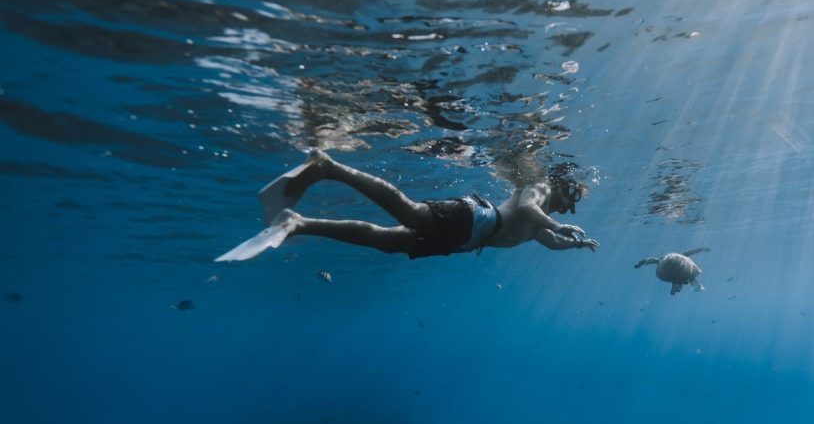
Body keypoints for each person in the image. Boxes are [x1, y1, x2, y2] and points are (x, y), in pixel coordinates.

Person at [216, 149, 599, 262]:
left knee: (386, 241)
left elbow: (548, 239)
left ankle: (299, 223)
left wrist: (574, 242)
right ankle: (329, 167)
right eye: (574, 199)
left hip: (467, 239)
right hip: (475, 219)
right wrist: (556, 223)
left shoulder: (545, 223)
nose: (571, 209)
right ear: (564, 185)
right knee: (410, 212)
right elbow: (532, 210)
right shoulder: (541, 188)